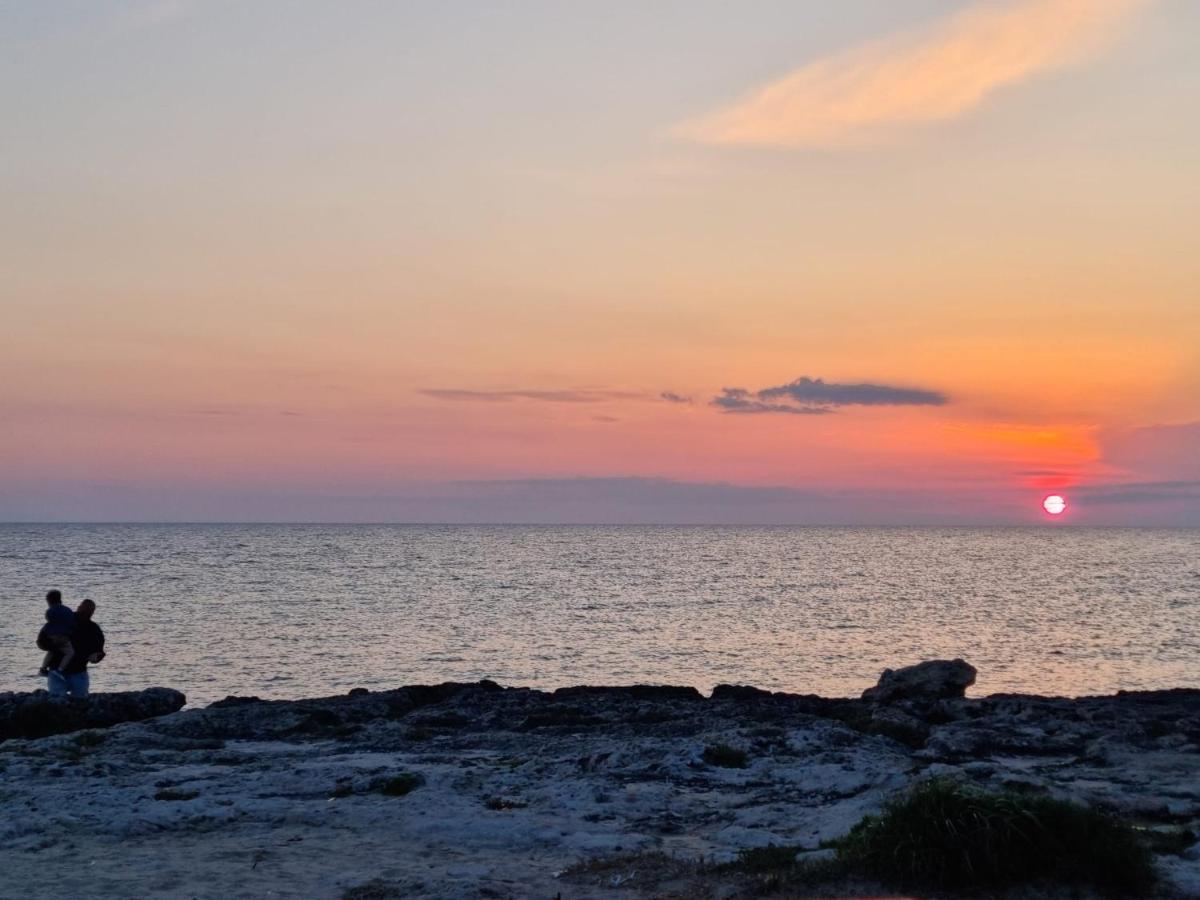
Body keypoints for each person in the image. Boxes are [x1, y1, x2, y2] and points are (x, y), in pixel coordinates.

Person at [42, 599, 105, 698]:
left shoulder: (93, 629)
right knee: (58, 702)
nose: (86, 614)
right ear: (78, 608)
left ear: (92, 613)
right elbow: (42, 640)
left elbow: (99, 650)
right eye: (84, 611)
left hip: (78, 672)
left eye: (89, 612)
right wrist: (53, 645)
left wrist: (97, 657)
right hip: (56, 672)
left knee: (81, 703)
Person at [38, 589, 75, 677]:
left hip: (51, 636)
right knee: (70, 652)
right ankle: (60, 669)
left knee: (52, 651)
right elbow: (72, 623)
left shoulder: (50, 611)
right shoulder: (67, 610)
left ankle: (43, 669)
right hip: (63, 637)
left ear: (49, 601)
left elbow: (48, 621)